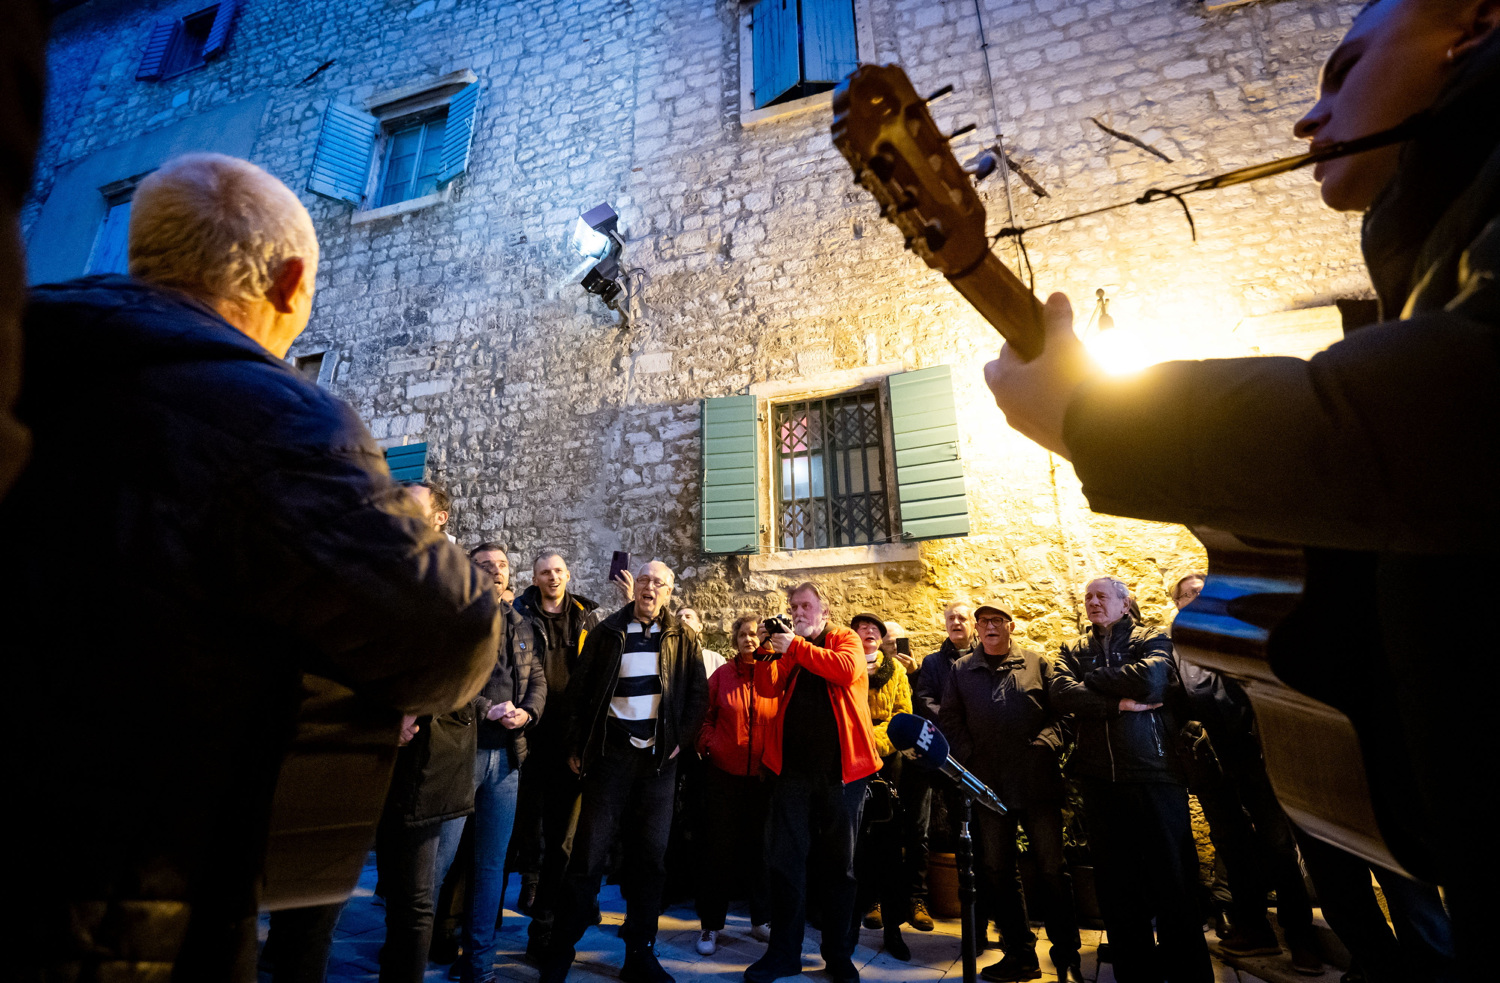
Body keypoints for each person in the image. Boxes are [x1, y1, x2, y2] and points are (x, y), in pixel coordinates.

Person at [983, 1, 1500, 972]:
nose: (1310, 119)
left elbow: (1445, 420)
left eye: (1343, 72)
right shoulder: (1440, 236)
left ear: (1473, 22)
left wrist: (1105, 418)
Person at [6, 153, 499, 979]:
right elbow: (453, 639)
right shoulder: (281, 420)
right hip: (127, 912)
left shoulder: (20, 357)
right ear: (293, 283)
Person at [539, 560, 709, 983]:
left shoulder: (682, 638)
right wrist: (576, 745)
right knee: (588, 856)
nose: (650, 588)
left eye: (659, 583)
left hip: (658, 765)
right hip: (610, 759)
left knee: (650, 861)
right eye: (645, 580)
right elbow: (579, 693)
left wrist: (678, 743)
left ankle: (640, 954)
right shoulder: (607, 631)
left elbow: (696, 698)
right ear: (635, 587)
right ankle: (560, 949)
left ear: (670, 591)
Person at [1044, 577, 1211, 983]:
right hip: (1100, 780)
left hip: (1155, 772)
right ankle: (1135, 971)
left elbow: (1153, 681)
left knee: (1173, 877)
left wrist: (1095, 681)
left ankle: (1187, 969)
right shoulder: (1072, 648)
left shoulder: (1151, 636)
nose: (1093, 602)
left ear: (1124, 603)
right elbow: (1061, 693)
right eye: (1088, 597)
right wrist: (1118, 701)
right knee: (1117, 885)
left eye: (1102, 596)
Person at [1167, 573, 1322, 974]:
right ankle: (1254, 928)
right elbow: (1178, 696)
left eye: (1201, 591)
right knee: (1231, 844)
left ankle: (1300, 938)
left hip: (1254, 755)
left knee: (1277, 844)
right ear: (1178, 604)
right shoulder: (1179, 646)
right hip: (1209, 759)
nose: (1195, 596)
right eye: (1187, 594)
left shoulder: (1237, 633)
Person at [745, 583, 880, 983]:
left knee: (840, 867)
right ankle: (783, 954)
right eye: (793, 607)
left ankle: (838, 955)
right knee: (786, 865)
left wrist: (796, 647)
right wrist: (772, 651)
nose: (798, 611)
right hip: (793, 775)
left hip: (844, 773)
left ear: (824, 611)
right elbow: (767, 688)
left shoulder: (843, 638)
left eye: (805, 605)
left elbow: (846, 670)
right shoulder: (792, 649)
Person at [940, 603, 1082, 983]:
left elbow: (1065, 716)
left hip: (1037, 784)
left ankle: (1067, 954)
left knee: (1053, 869)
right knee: (998, 870)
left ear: (1010, 626)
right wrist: (973, 759)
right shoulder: (961, 670)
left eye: (996, 621)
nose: (989, 627)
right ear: (976, 629)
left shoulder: (1037, 664)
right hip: (989, 789)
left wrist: (1044, 745)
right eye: (983, 621)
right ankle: (1020, 955)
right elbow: (950, 721)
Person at [460, 542, 545, 983]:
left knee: (492, 866)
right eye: (486, 565)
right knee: (441, 865)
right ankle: (414, 953)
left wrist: (527, 712)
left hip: (508, 756)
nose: (496, 571)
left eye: (503, 565)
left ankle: (479, 967)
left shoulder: (524, 627)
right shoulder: (457, 620)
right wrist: (484, 709)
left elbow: (538, 681)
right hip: (462, 753)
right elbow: (449, 681)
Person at [510, 550, 601, 953]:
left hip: (569, 741)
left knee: (563, 838)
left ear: (568, 574)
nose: (553, 577)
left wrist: (581, 740)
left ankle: (545, 929)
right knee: (529, 831)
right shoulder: (518, 615)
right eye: (545, 572)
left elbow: (596, 679)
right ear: (534, 577)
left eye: (559, 571)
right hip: (527, 737)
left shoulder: (585, 617)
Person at [693, 614, 779, 955]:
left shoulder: (775, 674)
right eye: (743, 635)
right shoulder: (722, 676)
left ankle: (762, 920)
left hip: (764, 777)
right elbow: (704, 717)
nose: (749, 640)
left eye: (755, 635)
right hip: (724, 776)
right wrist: (711, 744)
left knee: (762, 851)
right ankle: (710, 925)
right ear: (735, 640)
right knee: (719, 851)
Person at [850, 612, 915, 961]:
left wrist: (875, 741)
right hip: (851, 763)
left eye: (874, 629)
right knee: (853, 848)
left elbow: (902, 716)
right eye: (861, 629)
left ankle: (893, 929)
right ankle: (848, 927)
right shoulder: (846, 669)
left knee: (890, 850)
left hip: (888, 764)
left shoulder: (898, 673)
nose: (868, 633)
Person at [679, 606, 728, 676]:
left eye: (688, 617)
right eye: (678, 617)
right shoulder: (666, 658)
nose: (682, 619)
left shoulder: (716, 660)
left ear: (699, 627)